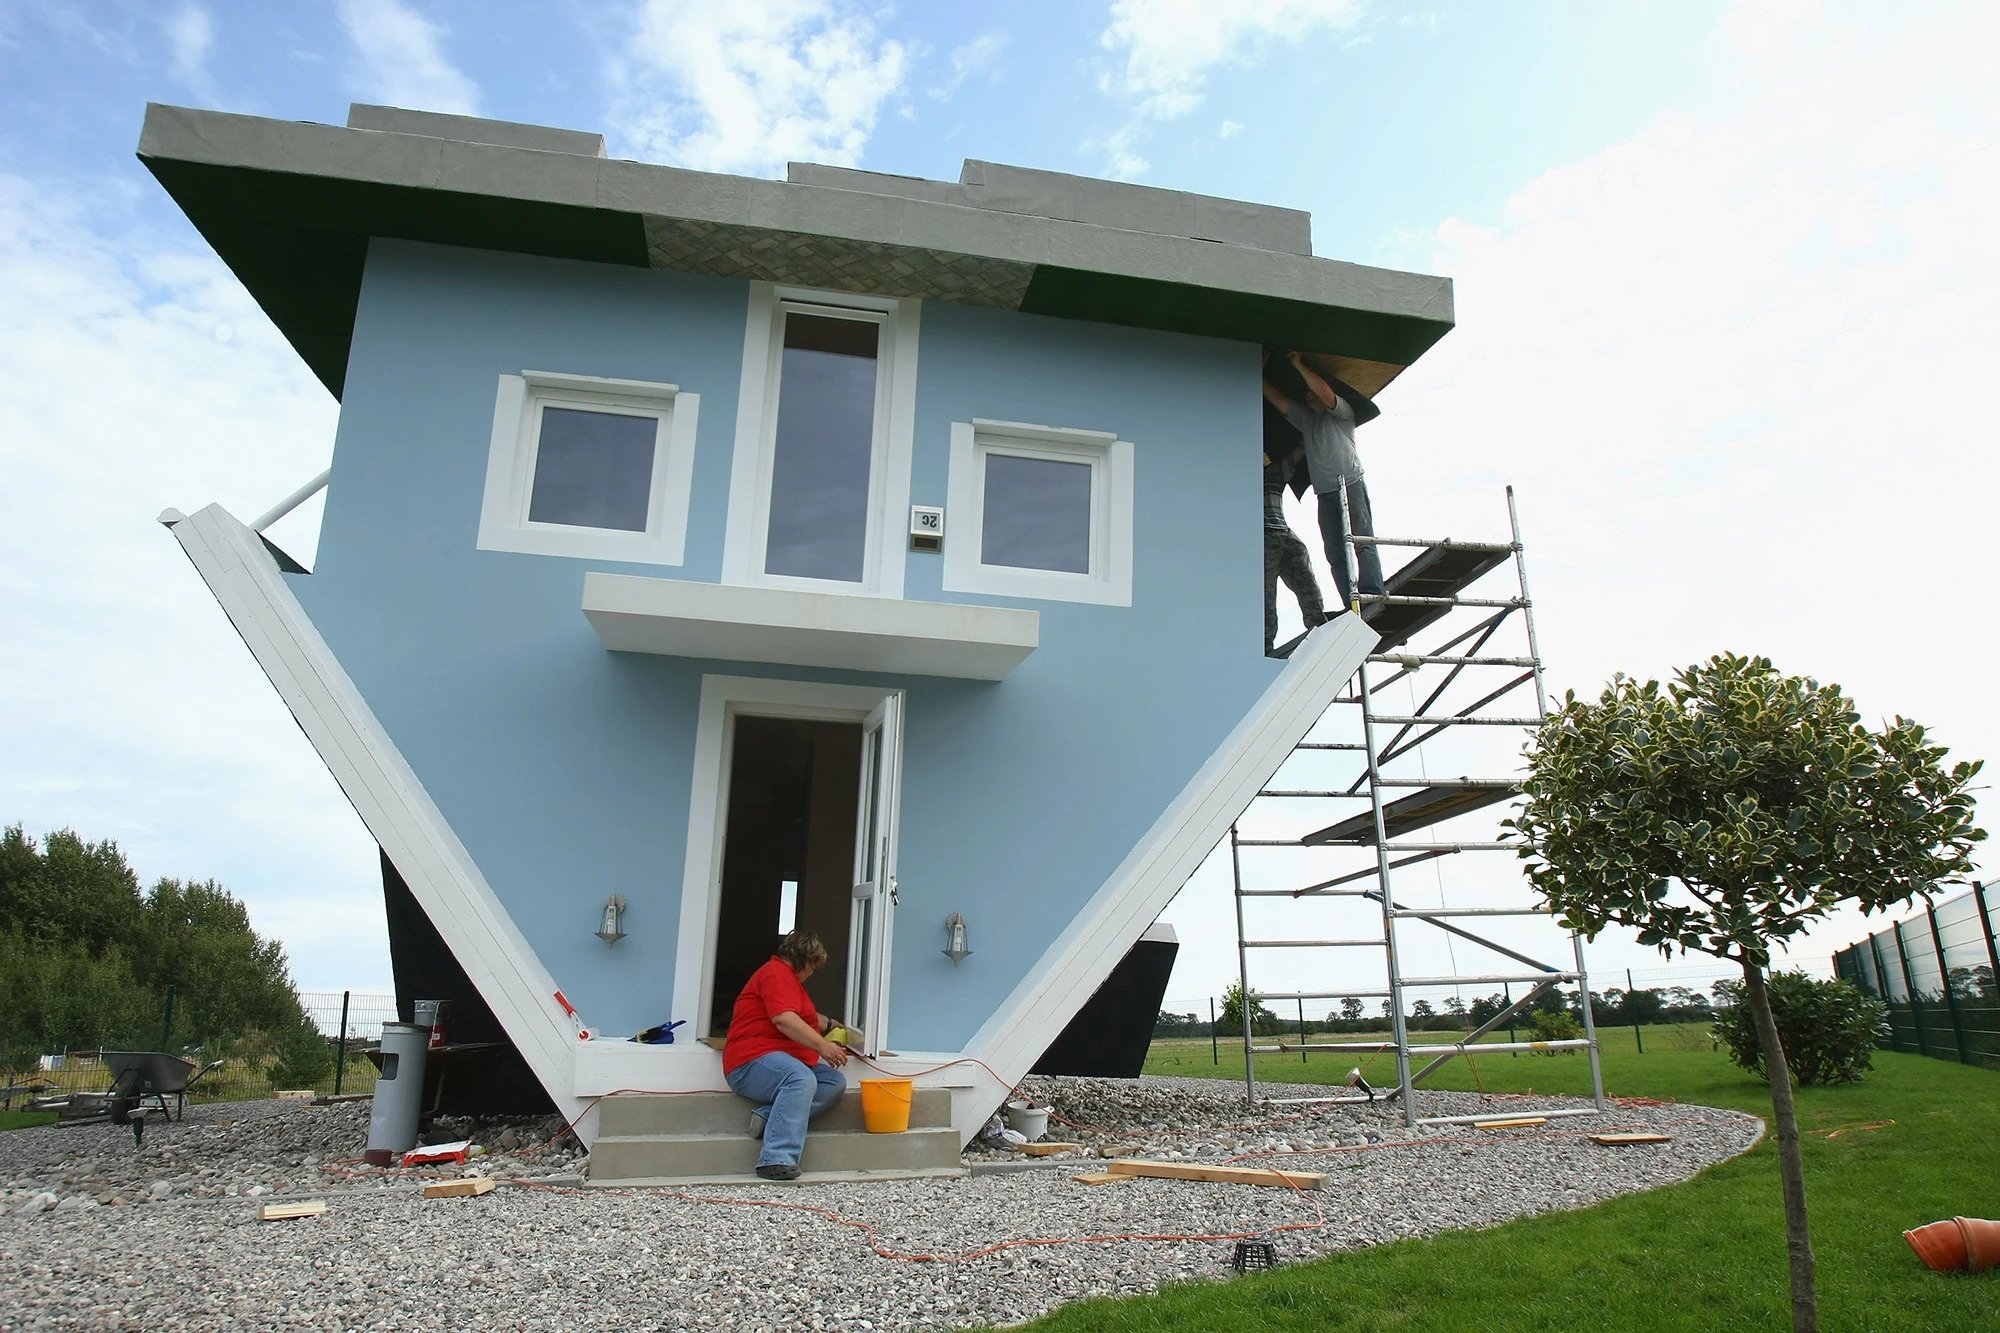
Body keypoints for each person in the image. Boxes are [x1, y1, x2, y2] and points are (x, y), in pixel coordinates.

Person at [1261, 350, 1386, 615]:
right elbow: (1279, 400)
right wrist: (1255, 374)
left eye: (1311, 393)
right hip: (1325, 493)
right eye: (1306, 395)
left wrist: (1298, 365)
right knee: (1334, 551)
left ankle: (1372, 591)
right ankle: (1350, 603)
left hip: (1349, 483)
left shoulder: (1341, 414)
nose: (1309, 396)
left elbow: (1325, 393)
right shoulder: (1306, 420)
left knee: (1361, 539)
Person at [722, 929, 852, 1181]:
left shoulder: (789, 982)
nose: (813, 973)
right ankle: (776, 1158)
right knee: (800, 1079)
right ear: (805, 959)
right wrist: (823, 1046)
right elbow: (784, 1018)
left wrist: (835, 1026)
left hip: (782, 1060)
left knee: (833, 1083)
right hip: (750, 1061)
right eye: (814, 966)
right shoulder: (775, 973)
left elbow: (809, 1018)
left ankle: (767, 1117)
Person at [1263, 440, 1326, 652]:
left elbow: (1296, 454)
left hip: (1282, 533)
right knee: (1266, 594)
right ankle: (1266, 644)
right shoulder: (1238, 479)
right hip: (1262, 537)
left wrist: (1308, 433)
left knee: (1305, 578)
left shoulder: (1274, 469)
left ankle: (1318, 621)